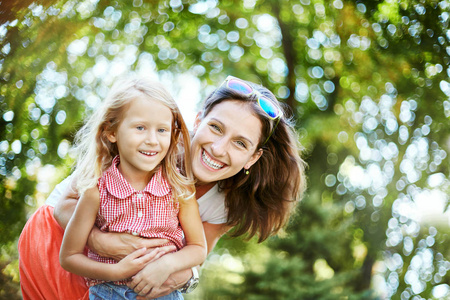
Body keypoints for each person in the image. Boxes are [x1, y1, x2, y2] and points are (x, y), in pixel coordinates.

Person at [18, 75, 307, 300]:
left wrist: (171, 272)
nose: (219, 149)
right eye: (216, 128)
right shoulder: (149, 147)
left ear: (253, 158)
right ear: (197, 121)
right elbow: (64, 204)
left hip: (127, 277)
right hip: (60, 241)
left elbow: (196, 254)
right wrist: (99, 240)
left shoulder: (227, 202)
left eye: (240, 143)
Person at [58, 76, 206, 300]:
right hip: (106, 293)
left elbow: (198, 248)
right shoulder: (95, 190)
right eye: (140, 127)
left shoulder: (179, 189)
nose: (152, 140)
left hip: (163, 294)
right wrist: (115, 271)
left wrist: (167, 264)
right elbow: (69, 256)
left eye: (162, 130)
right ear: (112, 132)